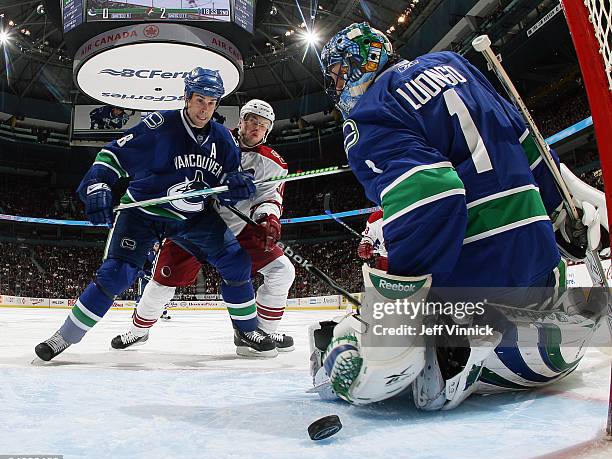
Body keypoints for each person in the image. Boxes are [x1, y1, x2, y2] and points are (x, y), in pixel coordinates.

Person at [309, 22, 607, 408]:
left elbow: (432, 195)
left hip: (476, 287)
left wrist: (396, 307)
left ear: (359, 62)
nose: (337, 88)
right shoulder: (455, 64)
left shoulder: (370, 112)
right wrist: (561, 208)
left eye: (337, 75)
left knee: (347, 339)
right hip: (543, 275)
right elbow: (525, 141)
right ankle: (479, 347)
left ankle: (448, 349)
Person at [34, 67, 276, 361]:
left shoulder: (223, 138)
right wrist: (98, 184)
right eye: (200, 100)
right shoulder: (160, 126)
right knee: (117, 275)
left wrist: (234, 184)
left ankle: (246, 329)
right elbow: (112, 155)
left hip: (192, 216)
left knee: (236, 261)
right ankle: (64, 337)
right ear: (186, 97)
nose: (206, 109)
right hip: (144, 212)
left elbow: (228, 178)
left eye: (212, 103)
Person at [110, 99, 296, 357]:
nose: (256, 127)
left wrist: (268, 220)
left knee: (282, 271)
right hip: (194, 223)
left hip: (240, 228)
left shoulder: (274, 164)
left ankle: (261, 330)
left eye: (262, 125)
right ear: (240, 120)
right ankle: (139, 330)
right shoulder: (213, 140)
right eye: (252, 120)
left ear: (268, 130)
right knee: (161, 282)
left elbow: (269, 198)